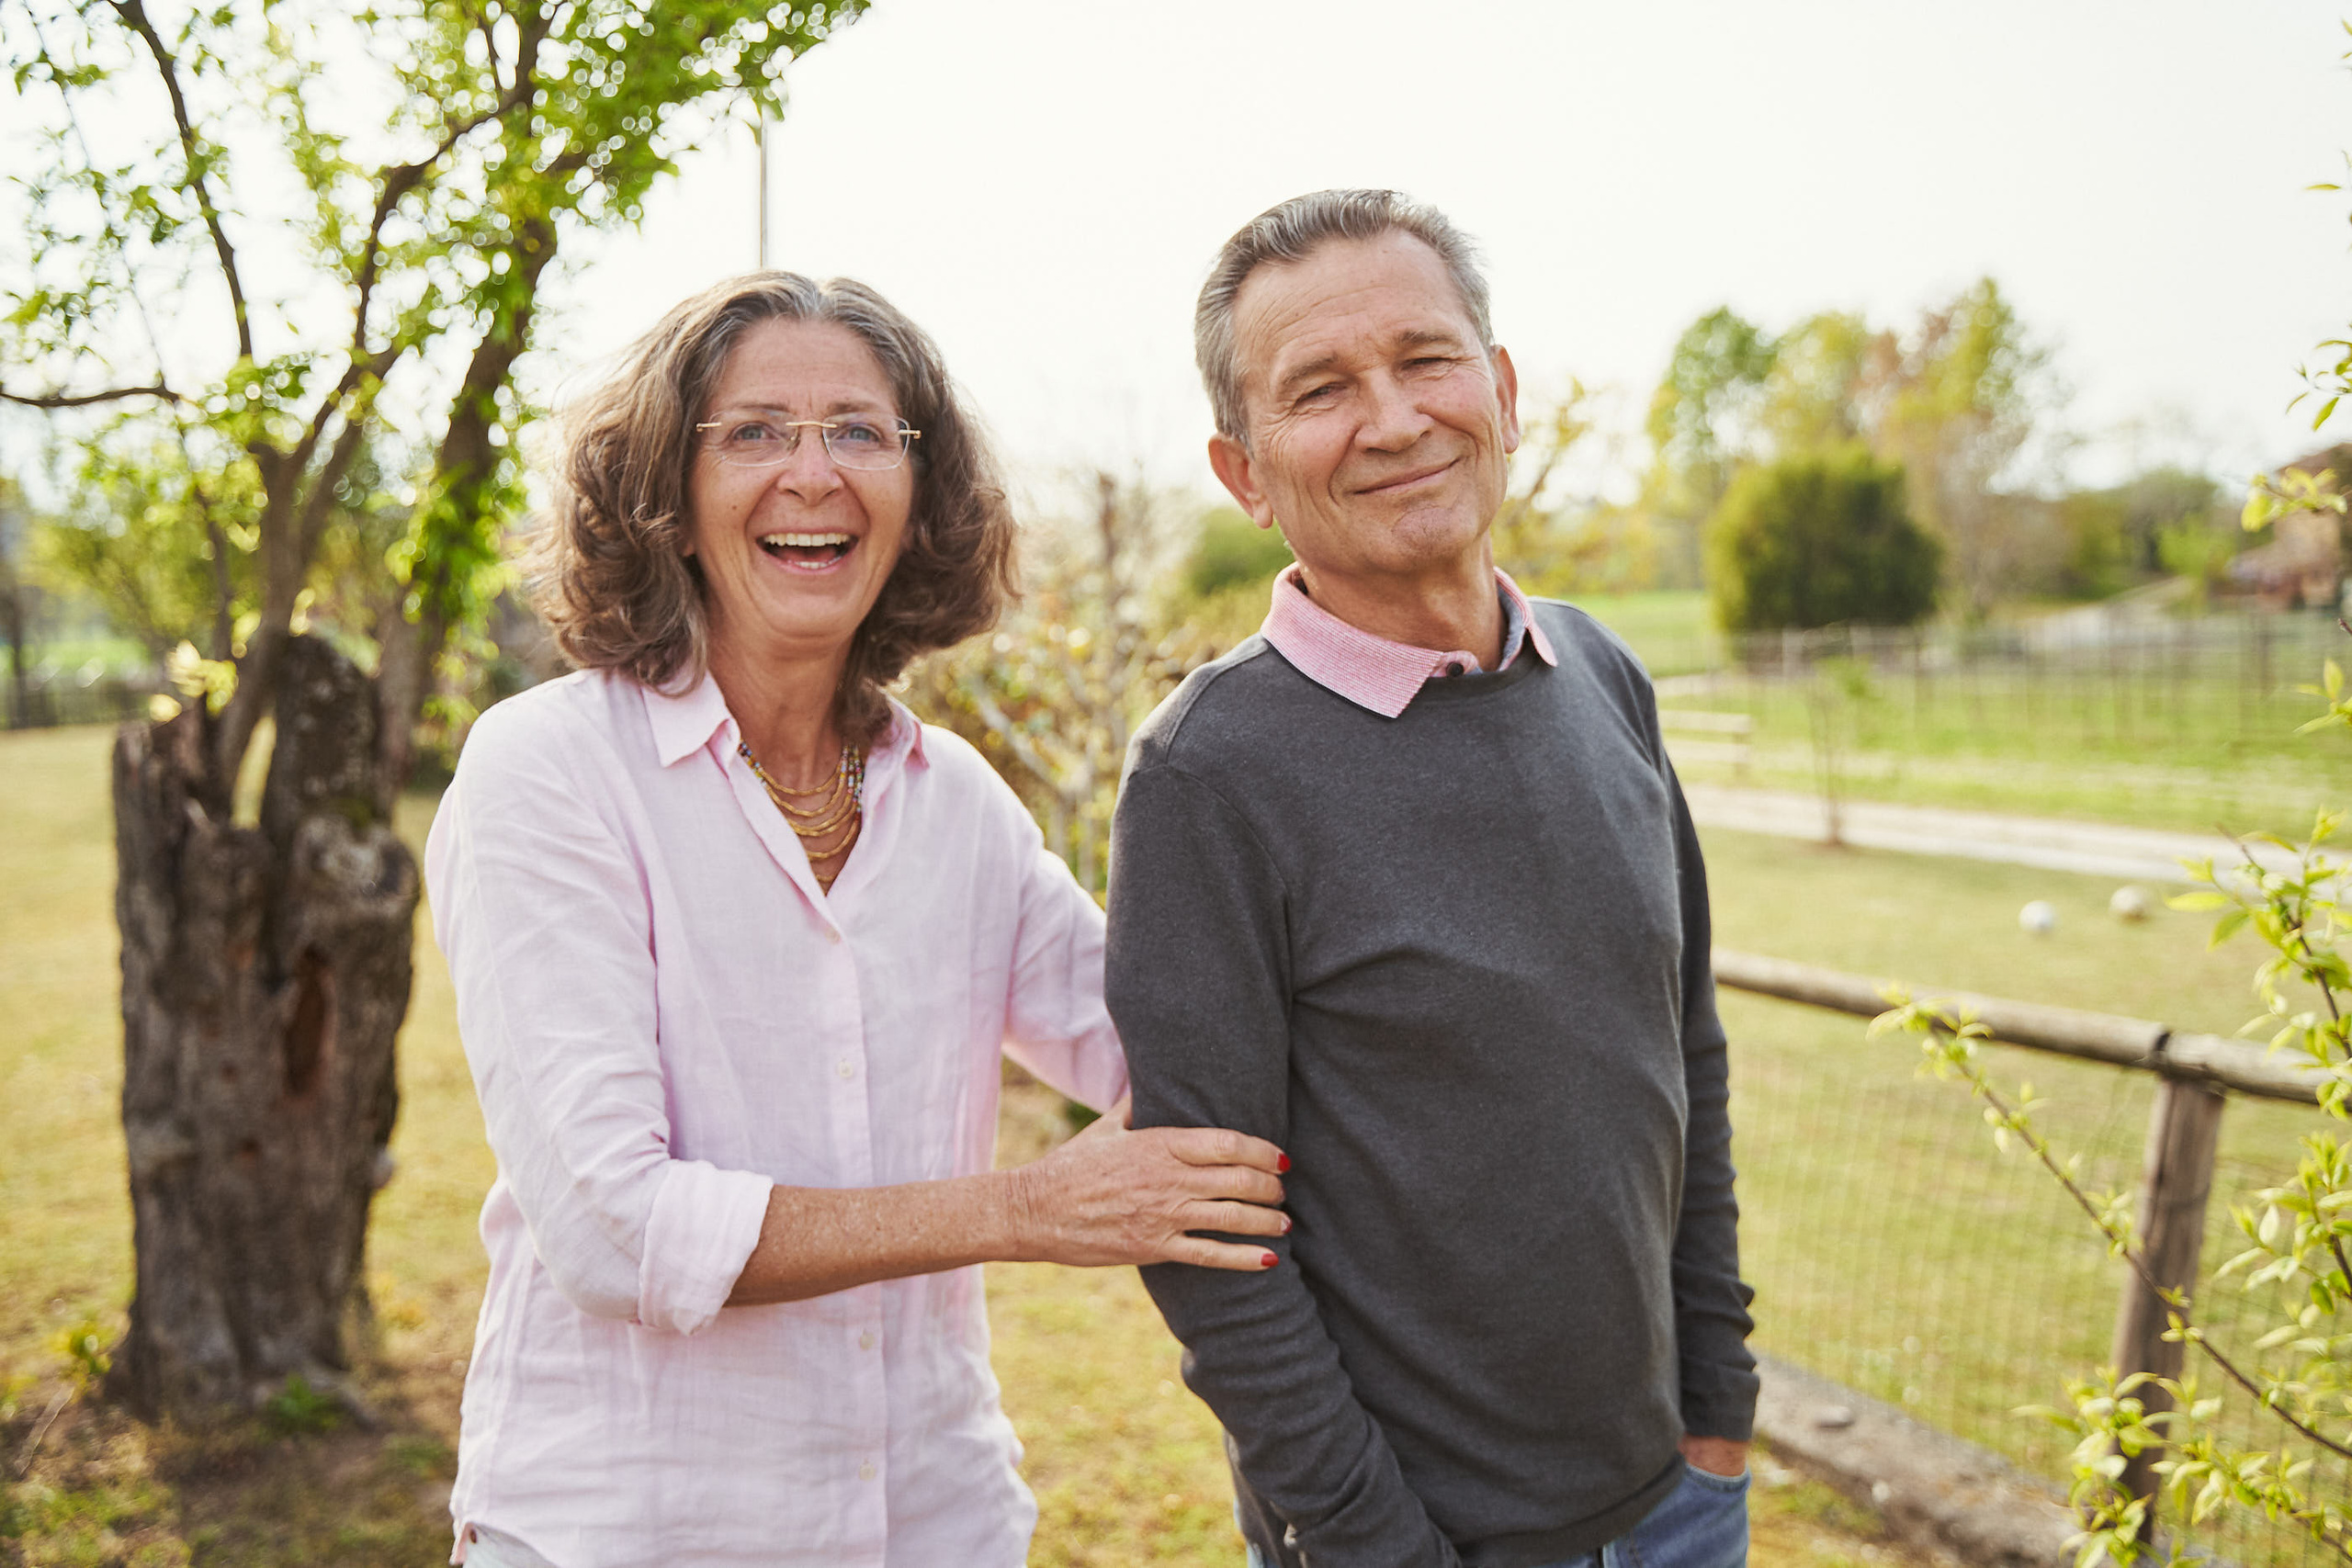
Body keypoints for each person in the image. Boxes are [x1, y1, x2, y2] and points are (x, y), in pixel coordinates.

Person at [423, 271, 1289, 1568]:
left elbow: (1166, 1053)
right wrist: (1030, 1208)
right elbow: (617, 1228)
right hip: (628, 1531)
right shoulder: (546, 770)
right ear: (666, 488)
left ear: (917, 492)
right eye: (755, 431)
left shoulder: (960, 808)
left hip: (937, 1527)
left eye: (860, 431)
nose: (812, 473)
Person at [1105, 189, 1758, 1568]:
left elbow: (1681, 1052)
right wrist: (1375, 1545)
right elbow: (1210, 1233)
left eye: (1426, 359)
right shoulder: (1208, 774)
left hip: (1680, 1507)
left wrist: (1720, 1418)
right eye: (1322, 389)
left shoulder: (1607, 680)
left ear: (1503, 390)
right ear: (1246, 472)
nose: (1394, 419)